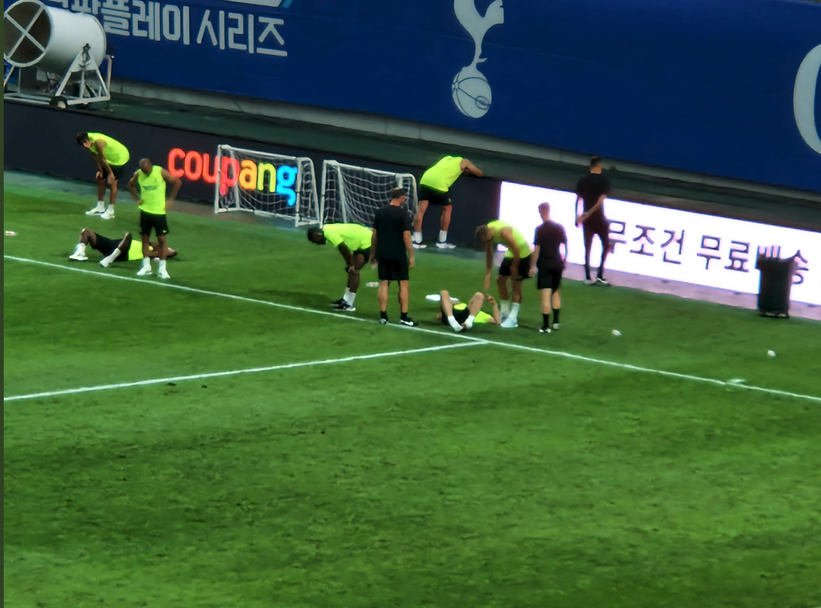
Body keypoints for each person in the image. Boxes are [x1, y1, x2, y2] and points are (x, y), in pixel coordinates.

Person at [126, 158, 182, 280]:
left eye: (147, 170)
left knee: (162, 240)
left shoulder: (160, 172)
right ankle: (146, 266)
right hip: (145, 211)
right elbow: (130, 185)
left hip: (159, 212)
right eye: (143, 171)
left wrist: (171, 200)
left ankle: (162, 268)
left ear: (150, 166)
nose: (145, 173)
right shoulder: (138, 174)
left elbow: (177, 182)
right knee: (145, 239)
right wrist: (137, 198)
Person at [412, 155, 483, 249]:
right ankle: (442, 241)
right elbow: (479, 173)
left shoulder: (446, 158)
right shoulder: (464, 161)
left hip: (425, 180)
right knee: (447, 209)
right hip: (439, 184)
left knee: (421, 210)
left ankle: (417, 240)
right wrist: (468, 171)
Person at [370, 187, 416, 326]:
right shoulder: (403, 214)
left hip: (383, 253)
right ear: (401, 197)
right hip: (398, 253)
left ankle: (383, 316)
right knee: (403, 283)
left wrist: (373, 253)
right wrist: (411, 255)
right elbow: (406, 236)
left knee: (384, 283)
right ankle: (404, 316)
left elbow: (374, 235)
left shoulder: (380, 213)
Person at [476, 220, 532, 329]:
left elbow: (517, 249)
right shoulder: (488, 231)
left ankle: (513, 318)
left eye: (487, 239)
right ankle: (505, 312)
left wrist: (514, 266)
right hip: (511, 252)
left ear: (489, 233)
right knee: (500, 280)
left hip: (522, 253)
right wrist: (488, 273)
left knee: (516, 284)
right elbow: (489, 253)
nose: (488, 241)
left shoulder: (504, 232)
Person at [307, 223, 373, 311]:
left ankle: (349, 304)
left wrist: (350, 263)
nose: (317, 244)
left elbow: (342, 247)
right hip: (362, 238)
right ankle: (345, 300)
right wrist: (349, 263)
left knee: (354, 271)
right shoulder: (326, 228)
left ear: (318, 235)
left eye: (315, 241)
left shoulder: (329, 233)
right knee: (351, 271)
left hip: (368, 241)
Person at [530, 202, 567, 334]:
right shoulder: (559, 227)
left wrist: (532, 266)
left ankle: (546, 326)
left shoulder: (540, 229)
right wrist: (564, 262)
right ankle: (556, 322)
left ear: (540, 212)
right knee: (556, 292)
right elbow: (565, 246)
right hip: (557, 263)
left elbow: (537, 249)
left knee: (545, 295)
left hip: (545, 263)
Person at [76, 132, 131, 219]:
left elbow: (103, 158)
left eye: (86, 143)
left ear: (88, 140)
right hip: (108, 158)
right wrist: (100, 170)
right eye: (83, 144)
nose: (85, 145)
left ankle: (111, 210)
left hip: (119, 157)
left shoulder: (99, 142)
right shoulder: (88, 140)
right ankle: (100, 207)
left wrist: (111, 174)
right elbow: (94, 155)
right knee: (99, 178)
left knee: (113, 183)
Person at [575, 155, 611, 285]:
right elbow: (600, 201)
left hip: (587, 220)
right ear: (599, 166)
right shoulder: (604, 181)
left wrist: (578, 216)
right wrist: (590, 212)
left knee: (587, 247)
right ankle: (600, 274)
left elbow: (578, 199)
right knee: (606, 245)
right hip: (599, 218)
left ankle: (587, 276)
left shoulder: (583, 180)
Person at [68, 228, 177, 267]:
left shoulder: (155, 253)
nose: (166, 248)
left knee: (128, 235)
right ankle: (80, 253)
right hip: (114, 244)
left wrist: (162, 250)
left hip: (124, 253)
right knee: (86, 232)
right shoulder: (149, 245)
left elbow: (170, 252)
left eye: (168, 249)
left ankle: (110, 259)